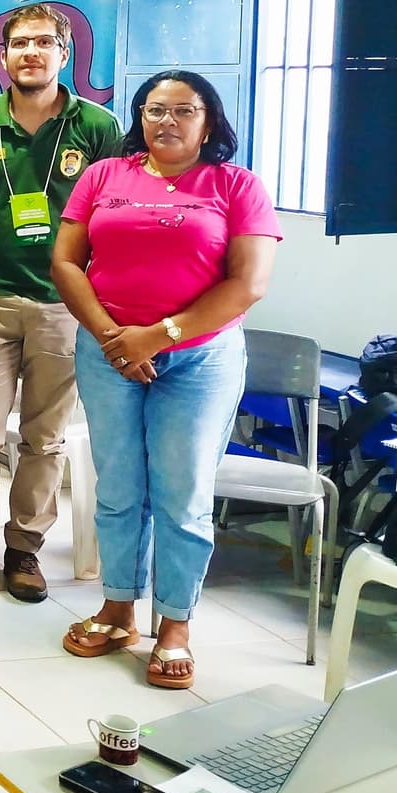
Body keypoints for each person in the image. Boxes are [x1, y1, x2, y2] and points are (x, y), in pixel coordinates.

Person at [53, 71, 279, 690]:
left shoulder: (236, 185)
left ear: (209, 122)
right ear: (140, 117)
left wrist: (158, 336)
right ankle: (118, 608)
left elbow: (249, 283)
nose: (167, 121)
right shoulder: (104, 176)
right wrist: (114, 338)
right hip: (108, 353)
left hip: (199, 360)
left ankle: (174, 623)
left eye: (184, 110)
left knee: (182, 494)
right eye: (155, 110)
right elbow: (66, 261)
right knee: (119, 486)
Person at [0, 6, 123, 604]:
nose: (32, 53)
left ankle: (24, 548)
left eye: (45, 43)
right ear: (3, 56)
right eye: (20, 43)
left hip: (63, 305)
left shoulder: (96, 126)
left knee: (44, 438)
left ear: (63, 54)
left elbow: (115, 214)